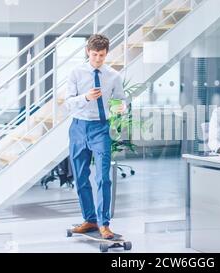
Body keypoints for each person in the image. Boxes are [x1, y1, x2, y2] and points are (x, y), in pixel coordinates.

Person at [65, 34, 126, 239]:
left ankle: (104, 223)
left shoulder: (114, 76)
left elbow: (119, 100)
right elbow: (68, 102)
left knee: (103, 177)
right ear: (87, 52)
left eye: (101, 55)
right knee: (81, 176)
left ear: (106, 53)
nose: (98, 59)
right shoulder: (76, 72)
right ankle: (89, 219)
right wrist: (86, 97)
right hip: (78, 127)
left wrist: (120, 109)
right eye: (94, 54)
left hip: (101, 128)